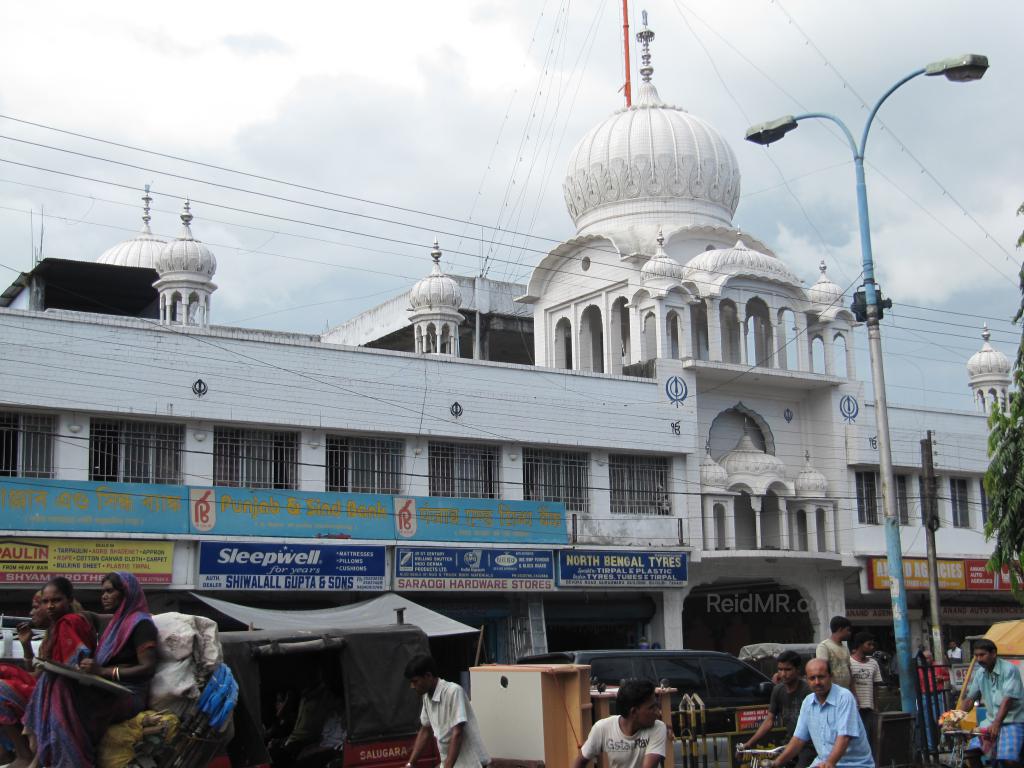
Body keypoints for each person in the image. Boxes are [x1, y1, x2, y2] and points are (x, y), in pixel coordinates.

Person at [23, 576, 99, 768]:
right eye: (46, 602)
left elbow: (76, 661)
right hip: (54, 685)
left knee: (61, 738)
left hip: (67, 689)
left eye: (56, 600)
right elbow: (37, 671)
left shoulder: (70, 622)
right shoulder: (54, 628)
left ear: (69, 600)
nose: (50, 606)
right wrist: (26, 645)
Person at [79, 571, 158, 725]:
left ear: (126, 593)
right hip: (108, 688)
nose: (104, 596)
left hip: (129, 694)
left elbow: (148, 668)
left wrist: (103, 671)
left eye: (110, 591)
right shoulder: (115, 624)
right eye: (103, 592)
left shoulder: (141, 624)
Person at [769, 659, 874, 768]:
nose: (817, 682)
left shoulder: (844, 697)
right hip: (821, 763)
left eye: (821, 677)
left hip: (853, 765)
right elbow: (798, 739)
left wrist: (830, 763)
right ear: (807, 680)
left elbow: (844, 737)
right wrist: (776, 763)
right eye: (812, 678)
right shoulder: (808, 702)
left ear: (830, 676)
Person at [404, 654, 490, 768]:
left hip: (472, 763)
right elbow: (425, 730)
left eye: (415, 681)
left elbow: (457, 733)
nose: (412, 686)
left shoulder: (453, 692)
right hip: (451, 764)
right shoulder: (426, 698)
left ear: (428, 676)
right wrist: (410, 764)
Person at [738, 650, 815, 768]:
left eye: (788, 670)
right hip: (789, 744)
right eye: (780, 669)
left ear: (798, 670)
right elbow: (769, 720)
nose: (783, 674)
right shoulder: (778, 690)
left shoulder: (808, 691)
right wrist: (749, 744)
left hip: (809, 745)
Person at [571, 678, 667, 768]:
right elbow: (581, 761)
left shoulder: (658, 727)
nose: (658, 712)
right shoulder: (602, 728)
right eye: (652, 708)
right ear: (633, 712)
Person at [959, 639, 1024, 768]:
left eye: (982, 655)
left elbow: (1008, 700)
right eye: (976, 655)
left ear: (993, 653)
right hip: (989, 722)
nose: (978, 659)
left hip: (1013, 721)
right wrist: (955, 718)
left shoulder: (1009, 669)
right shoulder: (979, 673)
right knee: (971, 754)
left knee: (1008, 760)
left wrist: (997, 723)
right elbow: (970, 699)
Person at [848, 632, 883, 743]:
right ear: (860, 645)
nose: (872, 647)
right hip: (853, 708)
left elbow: (875, 686)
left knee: (868, 738)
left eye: (873, 645)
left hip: (869, 708)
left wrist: (876, 707)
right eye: (869, 644)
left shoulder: (873, 663)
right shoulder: (848, 662)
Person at [816, 616, 853, 690]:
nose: (849, 633)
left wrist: (853, 692)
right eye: (848, 630)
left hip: (845, 691)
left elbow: (849, 670)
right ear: (840, 629)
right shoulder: (824, 646)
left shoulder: (845, 648)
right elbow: (822, 670)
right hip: (832, 691)